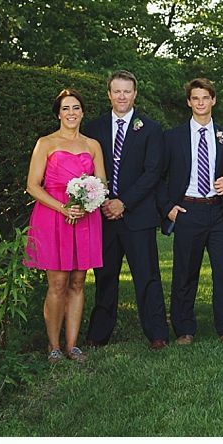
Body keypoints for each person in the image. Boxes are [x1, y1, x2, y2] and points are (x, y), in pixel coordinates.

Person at [83, 71, 169, 351]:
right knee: (105, 276)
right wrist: (106, 200)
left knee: (147, 275)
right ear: (109, 94)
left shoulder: (151, 129)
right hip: (104, 214)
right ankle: (99, 333)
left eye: (127, 91)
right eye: (116, 91)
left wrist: (125, 202)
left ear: (135, 94)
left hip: (138, 214)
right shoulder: (93, 129)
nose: (122, 96)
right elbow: (88, 170)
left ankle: (156, 332)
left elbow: (153, 172)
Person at [24, 89, 105, 363]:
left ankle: (73, 345)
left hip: (85, 217)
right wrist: (63, 207)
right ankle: (54, 345)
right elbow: (32, 186)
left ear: (83, 112)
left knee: (79, 281)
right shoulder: (45, 143)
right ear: (58, 113)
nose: (71, 113)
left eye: (76, 108)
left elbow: (102, 184)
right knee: (58, 282)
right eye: (66, 108)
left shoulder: (93, 145)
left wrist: (86, 203)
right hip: (52, 214)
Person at [157, 78, 223, 345]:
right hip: (187, 209)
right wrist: (168, 207)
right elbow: (157, 177)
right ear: (189, 102)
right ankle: (184, 329)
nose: (201, 103)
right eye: (196, 98)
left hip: (218, 211)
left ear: (213, 100)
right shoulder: (173, 137)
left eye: (206, 98)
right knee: (185, 272)